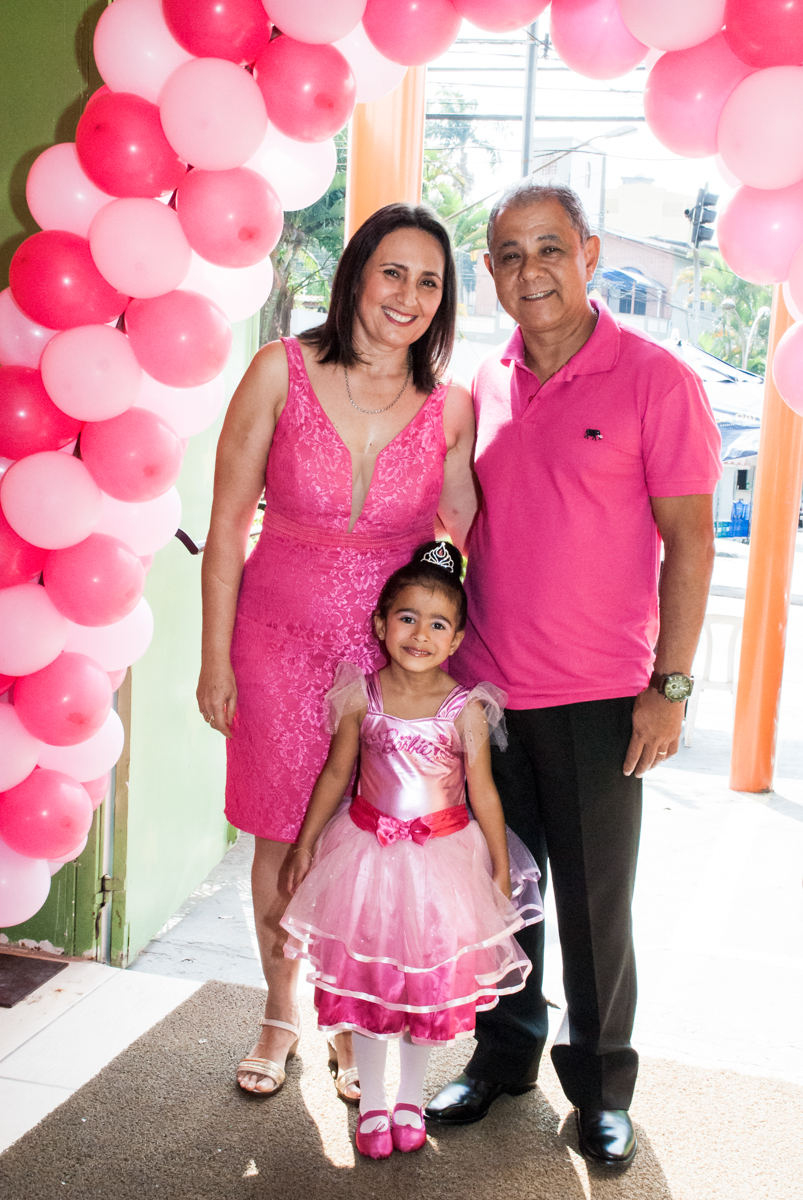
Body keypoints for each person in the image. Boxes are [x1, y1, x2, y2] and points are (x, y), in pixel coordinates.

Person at [424, 183, 722, 1168]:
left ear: (589, 254)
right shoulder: (482, 380)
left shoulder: (655, 381)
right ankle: (502, 1056)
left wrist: (668, 688)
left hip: (600, 699)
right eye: (507, 255)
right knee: (499, 895)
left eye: (548, 248)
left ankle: (598, 1086)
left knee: (593, 908)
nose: (528, 271)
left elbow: (689, 545)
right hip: (485, 693)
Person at [197, 204, 479, 1099]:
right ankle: (280, 1015)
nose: (407, 295)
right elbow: (227, 526)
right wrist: (215, 660)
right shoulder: (277, 372)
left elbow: (461, 554)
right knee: (282, 838)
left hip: (384, 671)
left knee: (369, 847)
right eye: (391, 272)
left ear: (444, 301)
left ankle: (349, 1020)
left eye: (428, 280)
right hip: (274, 647)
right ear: (356, 273)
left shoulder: (452, 410)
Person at [282, 541, 543, 1158]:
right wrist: (306, 842)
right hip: (366, 861)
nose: (419, 633)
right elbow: (334, 775)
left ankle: (408, 1100)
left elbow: (483, 793)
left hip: (442, 868)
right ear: (381, 624)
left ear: (455, 640)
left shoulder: (467, 708)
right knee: (373, 989)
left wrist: (500, 869)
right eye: (406, 617)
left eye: (438, 623)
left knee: (424, 989)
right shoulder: (360, 696)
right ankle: (372, 1104)